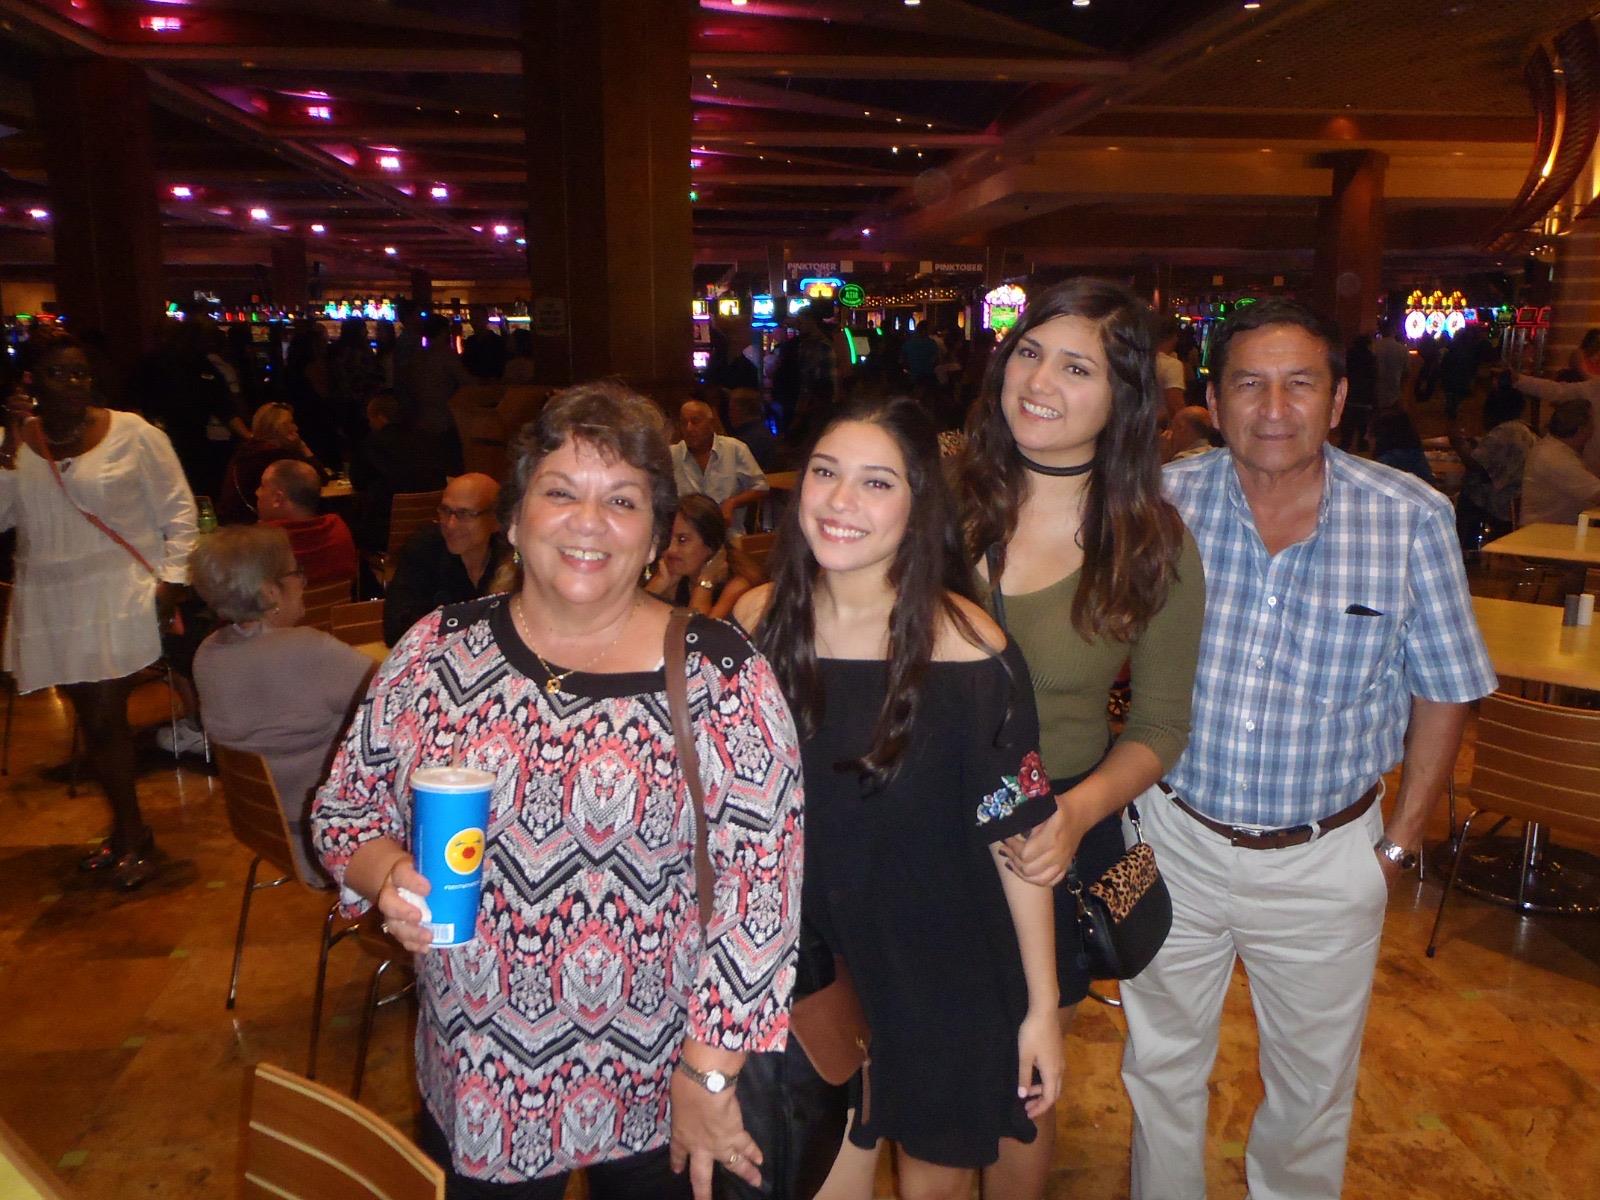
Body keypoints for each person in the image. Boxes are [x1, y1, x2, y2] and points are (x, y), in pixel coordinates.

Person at [312, 379, 803, 1198]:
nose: (589, 521)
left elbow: (763, 895)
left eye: (623, 500)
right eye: (561, 492)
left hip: (666, 1081)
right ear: (514, 518)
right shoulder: (437, 651)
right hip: (480, 1075)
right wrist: (388, 874)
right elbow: (343, 810)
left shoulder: (721, 673)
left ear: (657, 537)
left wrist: (711, 1074)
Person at [1122, 299, 1496, 1200]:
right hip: (1172, 839)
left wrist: (1397, 846)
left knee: (1311, 1092)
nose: (1274, 407)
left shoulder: (1409, 518)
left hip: (1327, 857)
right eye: (1250, 384)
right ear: (1215, 400)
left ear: (1336, 400)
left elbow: (1446, 686)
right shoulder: (1162, 502)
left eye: (1300, 384)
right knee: (1159, 1066)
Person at [736, 396, 1063, 1200]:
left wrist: (1041, 1007)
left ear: (919, 506)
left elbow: (1016, 838)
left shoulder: (969, 646)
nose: (841, 501)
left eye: (876, 483)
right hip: (809, 969)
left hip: (944, 969)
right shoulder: (754, 624)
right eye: (825, 473)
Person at [957, 278, 1205, 1199]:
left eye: (1076, 368)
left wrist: (1077, 813)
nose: (1039, 382)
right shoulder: (939, 499)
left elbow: (1160, 723)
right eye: (1029, 353)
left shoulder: (1150, 543)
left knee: (1020, 1082)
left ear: (1124, 398)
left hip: (1050, 832)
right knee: (904, 1062)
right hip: (913, 824)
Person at [0, 333, 198, 889]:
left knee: (107, 716)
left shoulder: (133, 433)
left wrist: (173, 581)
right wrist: (7, 452)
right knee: (90, 717)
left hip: (117, 590)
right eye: (59, 373)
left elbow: (180, 510)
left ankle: (133, 834)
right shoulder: (16, 442)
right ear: (31, 382)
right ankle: (127, 830)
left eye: (81, 372)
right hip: (50, 595)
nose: (74, 383)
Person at [190, 526, 374, 881]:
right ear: (270, 591)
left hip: (267, 833)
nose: (303, 583)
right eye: (296, 573)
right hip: (334, 840)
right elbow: (400, 695)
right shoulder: (308, 650)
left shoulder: (207, 654)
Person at [383, 472, 509, 645]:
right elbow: (396, 630)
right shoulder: (424, 549)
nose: (450, 524)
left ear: (496, 519)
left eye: (464, 514)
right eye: (445, 511)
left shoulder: (511, 554)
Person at [348, 389, 448, 553]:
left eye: (370, 419)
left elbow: (358, 482)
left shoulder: (373, 444)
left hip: (386, 532)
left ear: (380, 417)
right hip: (431, 529)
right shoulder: (428, 439)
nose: (370, 424)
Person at [645, 494, 759, 621]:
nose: (671, 549)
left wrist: (705, 582)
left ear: (710, 544)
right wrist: (659, 584)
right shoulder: (675, 576)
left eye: (682, 540)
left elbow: (696, 630)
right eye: (667, 539)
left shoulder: (738, 586)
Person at [1450, 380, 1535, 547]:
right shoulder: (1523, 430)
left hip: (1501, 500)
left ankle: (1466, 547)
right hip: (1516, 495)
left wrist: (1457, 443)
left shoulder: (1505, 431)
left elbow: (1476, 465)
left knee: (1466, 495)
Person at [217, 402, 322, 525]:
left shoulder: (247, 451)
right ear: (278, 427)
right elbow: (317, 480)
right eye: (290, 423)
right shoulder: (276, 454)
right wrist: (303, 447)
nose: (295, 428)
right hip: (253, 527)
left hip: (233, 523)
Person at [255, 458, 358, 585]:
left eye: (262, 486)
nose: (257, 492)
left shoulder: (261, 542)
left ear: (278, 498)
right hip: (339, 599)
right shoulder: (337, 528)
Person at [671, 400, 769, 524]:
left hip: (729, 531)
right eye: (684, 423)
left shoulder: (734, 449)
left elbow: (761, 487)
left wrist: (732, 502)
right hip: (687, 530)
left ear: (711, 424)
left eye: (695, 421)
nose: (688, 428)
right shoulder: (671, 455)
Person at [1519, 398, 1600, 526]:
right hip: (1545, 533)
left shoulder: (1555, 447)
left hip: (1559, 529)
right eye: (1592, 423)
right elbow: (1596, 493)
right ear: (1581, 429)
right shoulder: (1554, 456)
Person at [727, 388, 782, 472]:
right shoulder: (763, 432)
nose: (729, 415)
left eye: (731, 409)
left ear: (742, 410)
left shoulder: (745, 441)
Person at [1154, 316, 1187, 419]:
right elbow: (1175, 405)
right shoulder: (1172, 365)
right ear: (1174, 337)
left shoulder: (1141, 359)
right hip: (1161, 425)